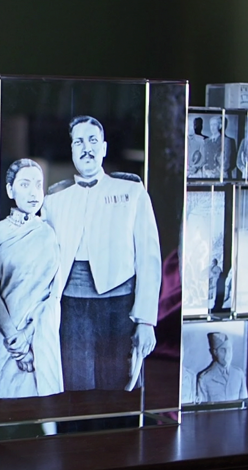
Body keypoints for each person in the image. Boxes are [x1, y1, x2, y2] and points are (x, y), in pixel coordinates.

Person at [42, 116, 161, 392]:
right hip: (71, 307)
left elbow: (149, 258)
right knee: (75, 388)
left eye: (93, 140)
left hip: (118, 306)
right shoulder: (54, 200)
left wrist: (145, 320)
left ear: (104, 148)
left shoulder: (131, 192)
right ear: (71, 150)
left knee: (116, 388)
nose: (87, 148)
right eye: (79, 142)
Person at [0, 159, 62, 398]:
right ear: (10, 190)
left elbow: (52, 294)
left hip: (39, 342)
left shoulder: (49, 234)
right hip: (3, 342)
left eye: (38, 184)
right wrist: (16, 343)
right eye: (25, 184)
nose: (34, 192)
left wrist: (28, 338)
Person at [195, 332, 248, 403]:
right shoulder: (204, 378)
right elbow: (202, 410)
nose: (227, 354)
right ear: (214, 352)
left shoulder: (239, 374)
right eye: (223, 350)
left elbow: (244, 404)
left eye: (229, 350)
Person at [200, 115, 237, 179]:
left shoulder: (226, 140)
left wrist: (218, 171)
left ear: (220, 126)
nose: (212, 127)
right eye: (211, 125)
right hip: (207, 175)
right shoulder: (206, 141)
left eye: (214, 125)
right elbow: (204, 159)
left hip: (220, 175)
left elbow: (228, 162)